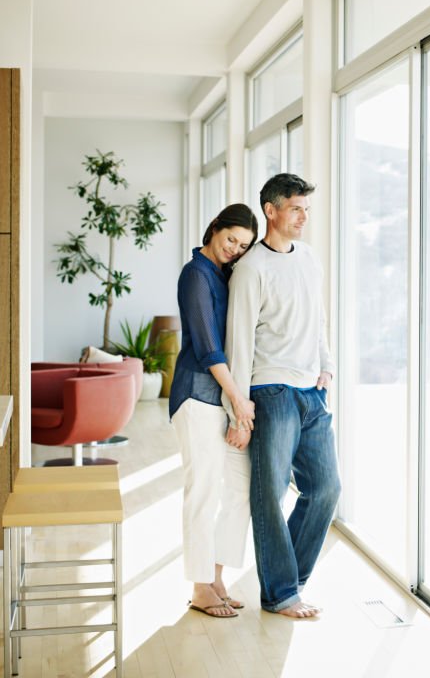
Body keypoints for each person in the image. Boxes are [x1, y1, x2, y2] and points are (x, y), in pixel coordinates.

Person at [225, 173, 341, 619]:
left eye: (306, 209)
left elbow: (319, 318)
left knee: (326, 489)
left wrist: (326, 364)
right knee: (269, 493)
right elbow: (239, 341)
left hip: (312, 390)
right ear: (271, 211)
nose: (303, 217)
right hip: (270, 390)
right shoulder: (251, 268)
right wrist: (239, 409)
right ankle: (280, 593)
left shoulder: (309, 258)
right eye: (296, 208)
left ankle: (288, 582)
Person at [168, 203, 259, 619]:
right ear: (214, 229)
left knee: (239, 492)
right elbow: (207, 347)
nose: (235, 250)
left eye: (243, 246)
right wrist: (239, 400)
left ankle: (216, 575)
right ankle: (199, 587)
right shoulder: (196, 275)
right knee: (202, 491)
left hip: (223, 398)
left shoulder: (227, 275)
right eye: (230, 240)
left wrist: (236, 400)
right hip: (198, 397)